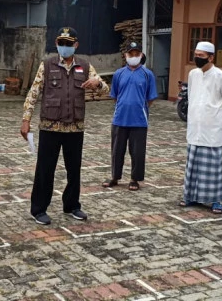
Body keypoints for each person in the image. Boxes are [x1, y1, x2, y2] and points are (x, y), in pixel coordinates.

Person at [20, 27, 109, 225]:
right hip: (50, 127)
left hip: (75, 128)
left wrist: (98, 83)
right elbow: (33, 93)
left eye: (69, 44)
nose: (65, 47)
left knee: (74, 169)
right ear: (56, 43)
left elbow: (105, 91)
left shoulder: (85, 66)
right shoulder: (47, 65)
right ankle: (38, 209)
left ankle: (72, 206)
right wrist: (26, 119)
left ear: (76, 45)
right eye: (61, 43)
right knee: (45, 170)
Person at [180, 41, 222, 213]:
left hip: (212, 129)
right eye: (195, 55)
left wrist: (212, 111)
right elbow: (191, 96)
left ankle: (215, 200)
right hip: (194, 127)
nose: (197, 58)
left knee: (212, 169)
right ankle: (190, 196)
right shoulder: (193, 74)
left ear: (211, 57)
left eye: (201, 56)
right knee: (193, 165)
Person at [102, 42, 157, 191]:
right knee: (117, 150)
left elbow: (151, 97)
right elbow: (114, 95)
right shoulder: (119, 73)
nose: (133, 57)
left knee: (137, 152)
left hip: (139, 120)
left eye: (136, 54)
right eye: (130, 54)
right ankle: (115, 176)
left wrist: (140, 107)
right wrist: (123, 105)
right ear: (125, 56)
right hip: (119, 118)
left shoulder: (147, 74)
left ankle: (135, 179)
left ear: (141, 55)